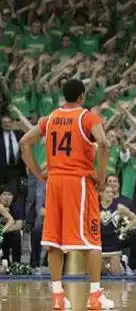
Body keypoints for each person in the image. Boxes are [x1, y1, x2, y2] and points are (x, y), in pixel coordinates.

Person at [19, 78, 114, 310]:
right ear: (82, 96)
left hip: (54, 183)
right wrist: (101, 176)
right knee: (92, 239)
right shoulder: (87, 116)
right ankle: (95, 295)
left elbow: (24, 142)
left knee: (54, 241)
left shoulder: (50, 118)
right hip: (78, 182)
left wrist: (37, 173)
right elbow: (103, 143)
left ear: (64, 96)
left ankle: (58, 295)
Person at [99, 186, 136, 276]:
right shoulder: (95, 206)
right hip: (99, 246)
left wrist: (125, 229)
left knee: (116, 275)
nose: (110, 194)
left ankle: (122, 264)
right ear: (101, 193)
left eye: (111, 192)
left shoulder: (119, 207)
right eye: (107, 192)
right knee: (100, 274)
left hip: (114, 245)